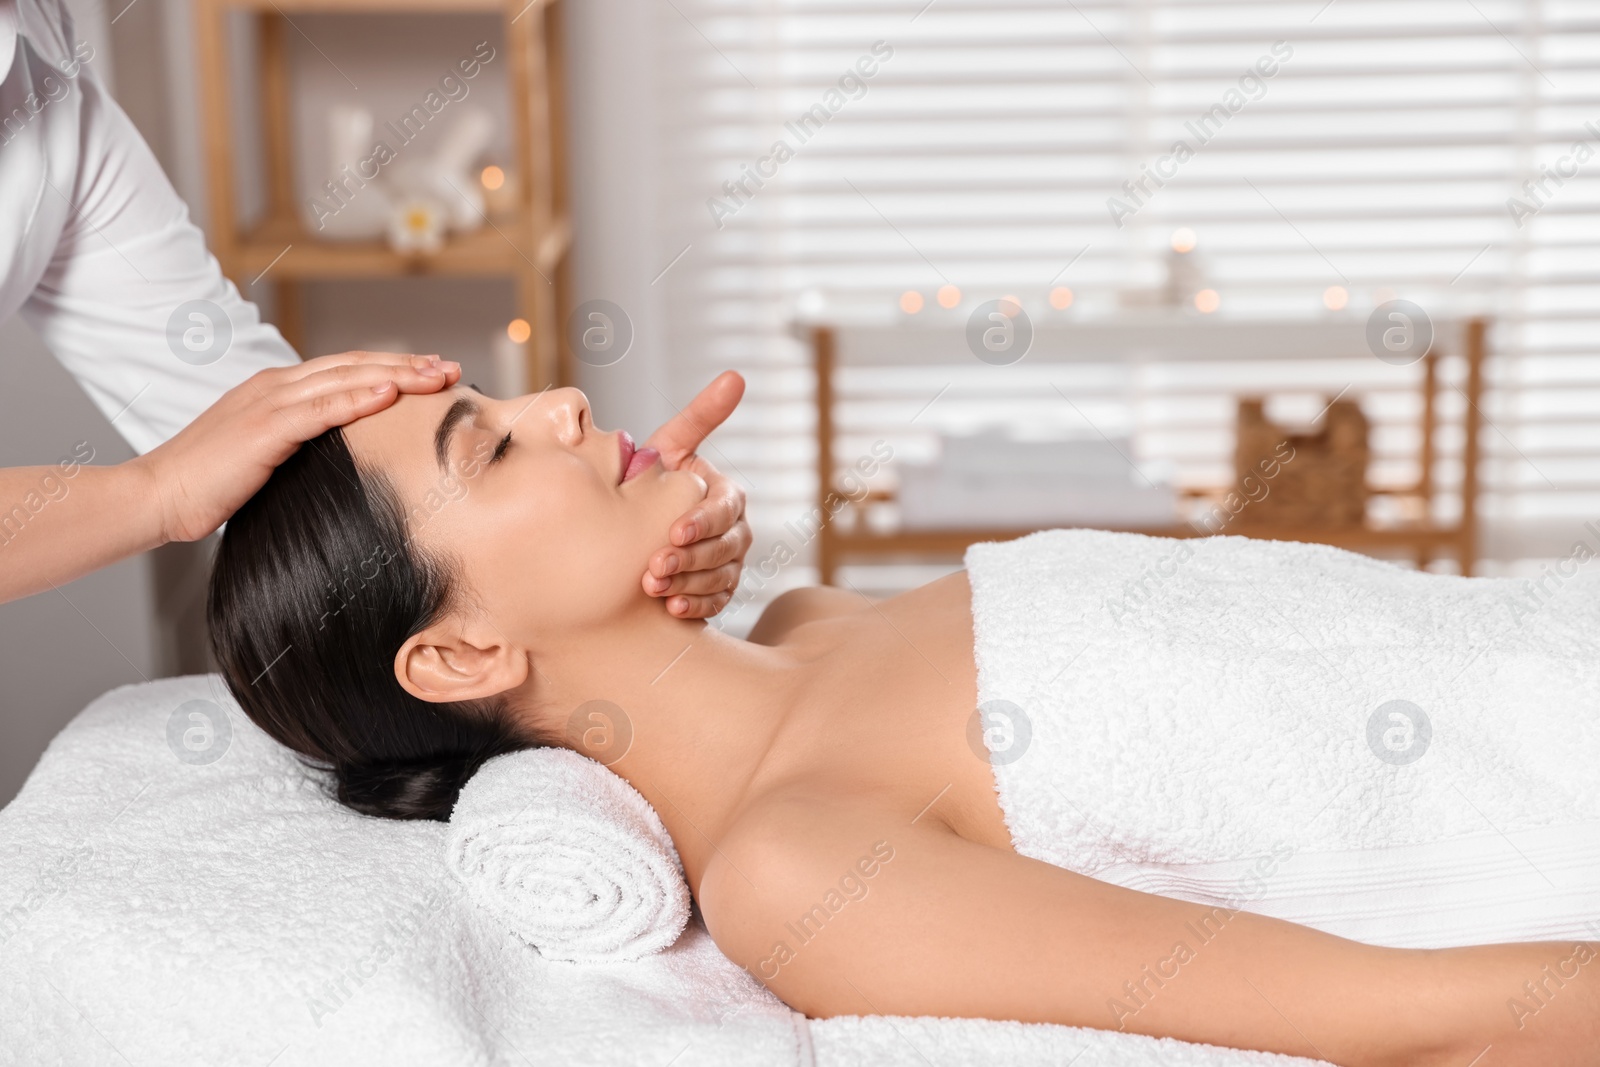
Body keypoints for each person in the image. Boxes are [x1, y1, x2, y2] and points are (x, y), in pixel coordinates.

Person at [206, 381, 1600, 1067]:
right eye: (490, 443)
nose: (558, 399)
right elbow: (1431, 1019)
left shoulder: (813, 616)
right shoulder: (799, 866)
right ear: (457, 651)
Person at [0, 0, 750, 613]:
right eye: (489, 447)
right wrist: (156, 493)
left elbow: (291, 456)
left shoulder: (41, 71)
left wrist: (636, 526)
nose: (570, 402)